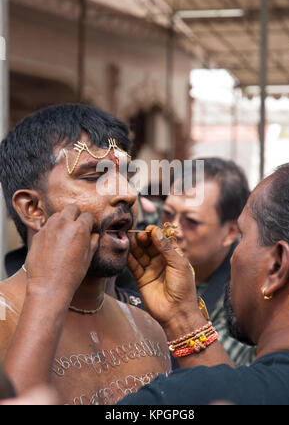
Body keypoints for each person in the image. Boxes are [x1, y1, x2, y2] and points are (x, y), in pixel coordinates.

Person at [0, 104, 171, 405]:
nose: (127, 194)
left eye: (127, 176)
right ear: (33, 209)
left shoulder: (149, 327)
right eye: (94, 177)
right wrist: (49, 293)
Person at [119, 160, 289, 405]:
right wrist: (181, 318)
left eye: (244, 236)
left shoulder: (185, 396)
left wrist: (51, 289)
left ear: (276, 266)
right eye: (168, 214)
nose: (174, 229)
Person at [161, 158, 255, 366]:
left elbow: (224, 376)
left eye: (191, 221)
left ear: (231, 232)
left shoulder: (245, 296)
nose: (173, 230)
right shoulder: (144, 262)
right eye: (168, 213)